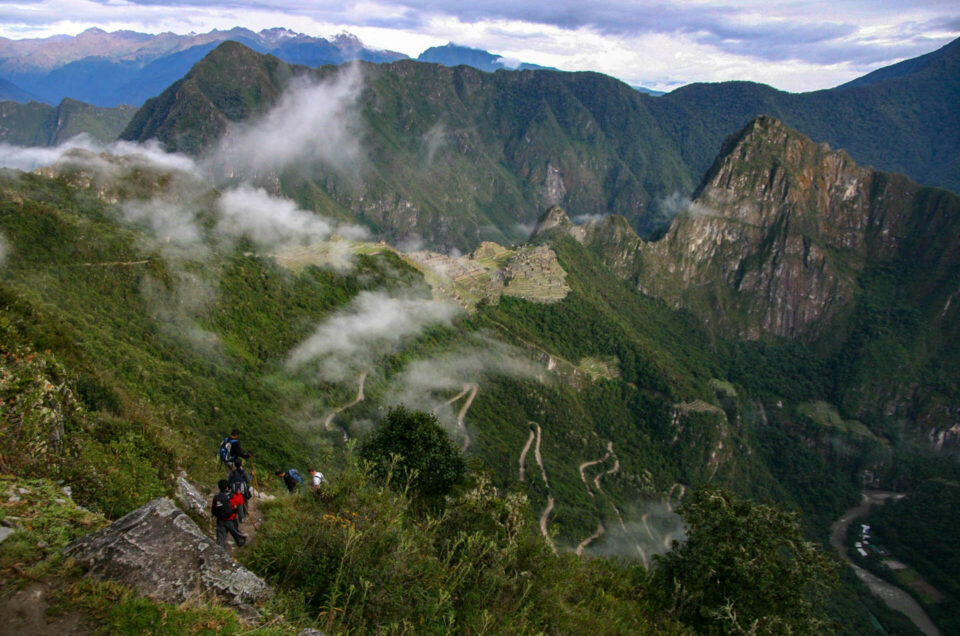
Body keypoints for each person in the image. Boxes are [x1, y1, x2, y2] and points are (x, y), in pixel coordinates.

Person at [212, 479, 247, 548]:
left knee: (221, 537)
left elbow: (213, 509)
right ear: (227, 487)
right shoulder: (231, 496)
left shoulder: (216, 497)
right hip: (231, 519)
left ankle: (220, 551)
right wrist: (239, 493)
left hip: (220, 520)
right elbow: (240, 502)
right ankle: (240, 541)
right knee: (235, 532)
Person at [228, 458, 252, 522]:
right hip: (243, 490)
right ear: (241, 464)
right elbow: (248, 480)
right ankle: (245, 513)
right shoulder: (244, 472)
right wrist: (251, 475)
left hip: (235, 490)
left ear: (235, 465)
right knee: (245, 500)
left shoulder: (232, 473)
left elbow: (229, 481)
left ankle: (240, 517)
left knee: (239, 503)